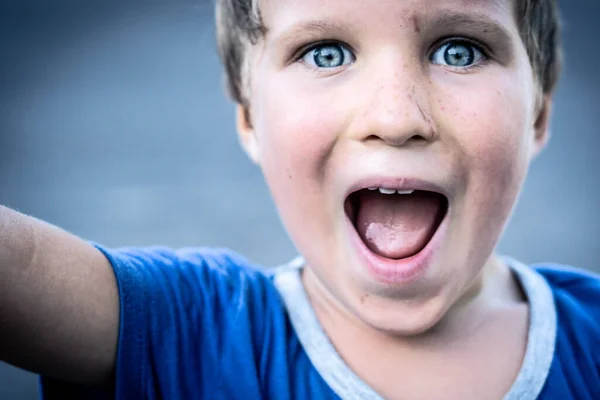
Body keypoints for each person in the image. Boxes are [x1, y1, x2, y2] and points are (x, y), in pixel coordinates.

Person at [1, 0, 598, 398]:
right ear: (249, 119)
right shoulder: (196, 334)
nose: (395, 118)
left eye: (459, 50)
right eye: (326, 53)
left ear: (539, 113)